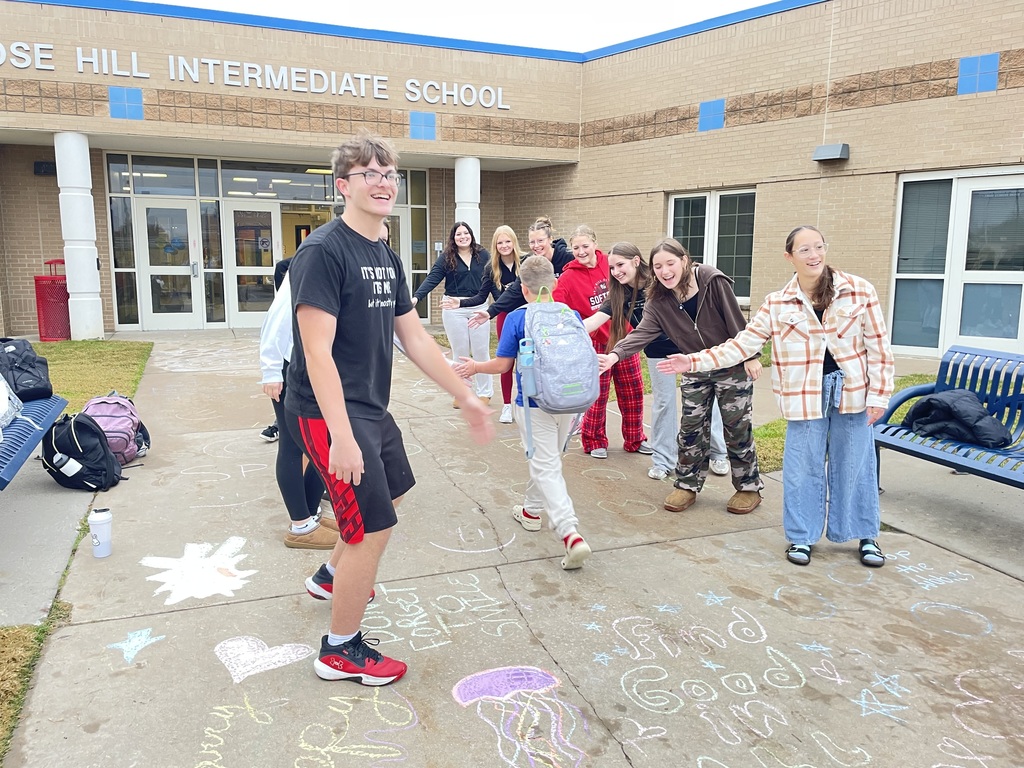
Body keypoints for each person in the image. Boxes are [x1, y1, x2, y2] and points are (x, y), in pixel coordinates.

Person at [284, 132, 493, 686]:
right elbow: (316, 352)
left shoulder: (385, 253)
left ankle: (331, 577)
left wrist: (465, 394)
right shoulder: (323, 252)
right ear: (343, 185)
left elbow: (415, 337)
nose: (382, 182)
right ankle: (339, 651)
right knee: (370, 528)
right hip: (326, 410)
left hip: (369, 406)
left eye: (389, 173)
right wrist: (341, 436)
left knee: (394, 488)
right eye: (369, 173)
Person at [658, 226, 894, 567]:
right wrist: (693, 361)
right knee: (802, 468)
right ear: (789, 257)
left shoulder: (859, 290)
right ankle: (802, 536)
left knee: (855, 464)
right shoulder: (777, 302)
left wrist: (880, 395)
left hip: (853, 393)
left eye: (818, 247)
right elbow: (741, 345)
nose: (814, 255)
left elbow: (879, 347)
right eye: (804, 250)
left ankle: (865, 535)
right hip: (804, 397)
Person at [598, 238, 764, 516]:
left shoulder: (710, 280)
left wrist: (751, 355)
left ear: (684, 260)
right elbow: (642, 333)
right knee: (690, 428)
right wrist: (615, 355)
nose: (665, 271)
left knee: (736, 427)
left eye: (670, 263)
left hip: (730, 364)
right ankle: (687, 484)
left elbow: (736, 320)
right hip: (693, 365)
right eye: (658, 266)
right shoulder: (658, 299)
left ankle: (748, 487)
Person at [454, 256, 592, 570]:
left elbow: (503, 365)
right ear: (554, 284)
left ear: (524, 289)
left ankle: (569, 532)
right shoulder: (570, 314)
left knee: (545, 465)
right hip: (570, 401)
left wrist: (475, 367)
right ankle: (530, 511)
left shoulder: (518, 318)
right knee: (548, 460)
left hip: (534, 404)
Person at [583, 242, 728, 479]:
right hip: (658, 351)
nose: (616, 271)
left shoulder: (660, 280)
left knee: (707, 399)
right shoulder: (619, 294)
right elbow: (594, 321)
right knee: (663, 403)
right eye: (612, 267)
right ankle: (663, 460)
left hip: (692, 348)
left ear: (636, 261)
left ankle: (718, 453)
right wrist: (566, 329)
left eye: (620, 265)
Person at [259, 259, 336, 549]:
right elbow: (277, 320)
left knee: (321, 444)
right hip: (291, 368)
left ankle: (311, 514)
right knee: (293, 444)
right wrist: (271, 371)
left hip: (320, 367)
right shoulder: (314, 262)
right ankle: (300, 525)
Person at [555, 225, 649, 460]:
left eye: (585, 246)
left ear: (595, 244)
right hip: (595, 342)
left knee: (633, 391)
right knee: (597, 394)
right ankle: (594, 440)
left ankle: (635, 438)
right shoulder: (567, 277)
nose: (581, 251)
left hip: (624, 339)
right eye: (576, 247)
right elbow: (558, 307)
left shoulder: (612, 264)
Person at [413, 222, 493, 405]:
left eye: (466, 233)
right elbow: (432, 278)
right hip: (453, 308)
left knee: (481, 351)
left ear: (471, 235)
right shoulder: (446, 257)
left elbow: (493, 279)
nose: (463, 237)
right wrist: (417, 297)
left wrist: (500, 303)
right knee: (460, 352)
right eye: (458, 234)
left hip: (478, 306)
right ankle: (462, 392)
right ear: (453, 238)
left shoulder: (483, 254)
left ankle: (485, 392)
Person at [452, 225, 523, 424]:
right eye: (500, 242)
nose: (504, 245)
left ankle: (524, 403)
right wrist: (460, 303)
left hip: (526, 316)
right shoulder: (491, 268)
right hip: (505, 317)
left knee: (527, 363)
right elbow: (481, 296)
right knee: (506, 362)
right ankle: (507, 405)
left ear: (514, 242)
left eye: (508, 241)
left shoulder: (525, 262)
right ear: (495, 245)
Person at [467, 216, 573, 329]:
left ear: (550, 239)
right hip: (543, 316)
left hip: (568, 313)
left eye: (540, 241)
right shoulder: (532, 263)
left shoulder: (568, 258)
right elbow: (514, 290)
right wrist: (490, 312)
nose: (536, 246)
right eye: (532, 242)